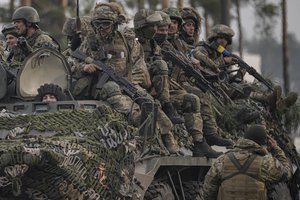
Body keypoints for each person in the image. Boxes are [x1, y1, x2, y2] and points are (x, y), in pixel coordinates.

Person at [71, 3, 179, 154]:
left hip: (127, 83)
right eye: (98, 24)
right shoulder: (90, 42)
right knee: (115, 91)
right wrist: (84, 67)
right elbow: (72, 63)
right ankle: (139, 119)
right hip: (103, 88)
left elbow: (139, 65)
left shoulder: (127, 41)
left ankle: (168, 136)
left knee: (149, 103)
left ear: (114, 24)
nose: (101, 28)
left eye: (106, 24)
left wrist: (131, 83)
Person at [135, 9, 222, 158]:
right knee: (156, 108)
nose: (161, 32)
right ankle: (168, 141)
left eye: (163, 29)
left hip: (162, 88)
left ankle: (200, 143)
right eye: (157, 28)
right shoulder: (135, 44)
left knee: (192, 100)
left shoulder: (157, 44)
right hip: (143, 90)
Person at [155, 10, 233, 148]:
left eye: (174, 23)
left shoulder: (178, 43)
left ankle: (209, 135)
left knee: (203, 93)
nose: (171, 26)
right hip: (162, 85)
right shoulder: (158, 42)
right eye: (169, 23)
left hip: (177, 82)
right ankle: (205, 137)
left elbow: (186, 60)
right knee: (197, 97)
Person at [203, 124, 292, 200]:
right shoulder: (266, 163)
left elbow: (208, 193)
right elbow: (287, 173)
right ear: (262, 143)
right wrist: (276, 148)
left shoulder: (221, 160)